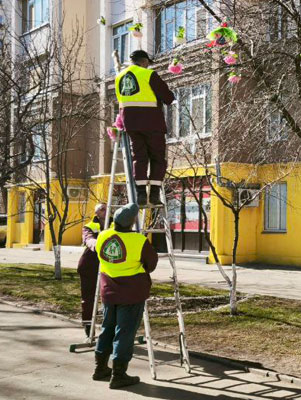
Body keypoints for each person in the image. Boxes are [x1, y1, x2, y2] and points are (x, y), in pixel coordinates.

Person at [92, 203, 158, 389]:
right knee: (125, 332)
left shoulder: (103, 235)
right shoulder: (139, 240)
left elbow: (100, 255)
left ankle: (100, 368)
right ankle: (119, 375)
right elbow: (151, 264)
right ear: (132, 222)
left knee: (107, 328)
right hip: (131, 293)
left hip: (108, 292)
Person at [115, 50, 175, 206]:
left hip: (131, 125)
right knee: (157, 158)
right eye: (147, 62)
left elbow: (122, 101)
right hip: (152, 123)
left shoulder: (119, 77)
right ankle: (154, 195)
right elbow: (168, 98)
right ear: (144, 61)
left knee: (139, 158)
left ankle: (141, 194)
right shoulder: (148, 74)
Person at [77, 203, 106, 339]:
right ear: (96, 213)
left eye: (107, 208)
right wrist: (97, 244)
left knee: (109, 298)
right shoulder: (89, 226)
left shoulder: (115, 223)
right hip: (90, 266)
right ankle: (89, 329)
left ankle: (109, 332)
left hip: (108, 266)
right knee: (88, 299)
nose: (105, 211)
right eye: (102, 209)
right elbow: (88, 239)